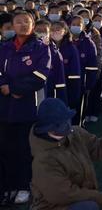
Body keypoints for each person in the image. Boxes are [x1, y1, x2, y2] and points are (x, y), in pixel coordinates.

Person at [30, 98, 102, 210]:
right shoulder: (43, 160)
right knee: (89, 206)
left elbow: (99, 149)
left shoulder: (76, 133)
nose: (67, 125)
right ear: (49, 128)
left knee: (90, 205)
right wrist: (101, 198)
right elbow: (65, 194)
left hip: (75, 200)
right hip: (53, 206)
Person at [0, 11, 51, 204]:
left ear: (32, 25)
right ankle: (7, 187)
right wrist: (4, 86)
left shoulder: (40, 48)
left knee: (24, 150)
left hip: (27, 107)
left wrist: (14, 88)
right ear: (12, 25)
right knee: (5, 149)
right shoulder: (4, 47)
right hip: (4, 106)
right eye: (18, 21)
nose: (22, 25)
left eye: (26, 21)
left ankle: (23, 186)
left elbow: (41, 75)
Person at [35, 19, 68, 105]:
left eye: (45, 31)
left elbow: (60, 80)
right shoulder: (27, 48)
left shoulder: (55, 52)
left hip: (48, 92)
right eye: (38, 31)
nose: (42, 33)